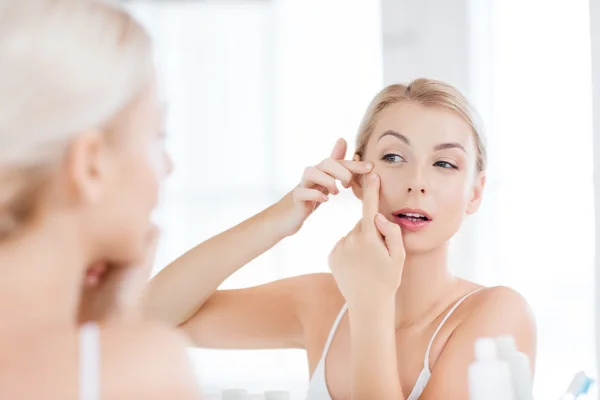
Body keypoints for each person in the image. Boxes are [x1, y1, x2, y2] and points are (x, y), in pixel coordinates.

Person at [143, 79, 537, 399]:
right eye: (394, 157)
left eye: (444, 163)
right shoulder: (321, 304)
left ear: (475, 192)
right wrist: (281, 218)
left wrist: (371, 304)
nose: (417, 183)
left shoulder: (497, 315)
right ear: (359, 174)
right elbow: (151, 317)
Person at [0, 0, 200, 398]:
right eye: (157, 135)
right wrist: (119, 328)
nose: (169, 166)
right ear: (90, 165)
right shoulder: (138, 369)